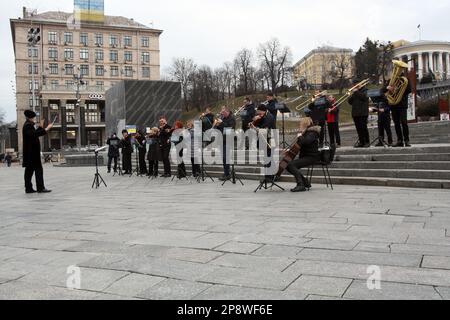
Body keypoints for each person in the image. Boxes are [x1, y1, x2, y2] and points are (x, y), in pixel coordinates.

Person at [286, 117, 321, 193]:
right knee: (287, 165)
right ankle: (305, 182)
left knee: (291, 164)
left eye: (301, 123)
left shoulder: (312, 132)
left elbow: (306, 142)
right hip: (306, 156)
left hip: (312, 157)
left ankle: (301, 185)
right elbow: (299, 145)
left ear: (304, 124)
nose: (300, 125)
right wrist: (290, 150)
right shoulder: (306, 133)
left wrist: (300, 136)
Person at [22, 110, 53, 194]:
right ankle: (40, 188)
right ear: (30, 118)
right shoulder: (28, 125)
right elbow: (34, 135)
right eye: (34, 117)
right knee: (38, 170)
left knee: (29, 171)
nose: (34, 119)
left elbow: (35, 133)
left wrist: (40, 127)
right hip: (32, 153)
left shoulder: (28, 125)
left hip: (31, 153)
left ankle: (29, 188)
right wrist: (46, 129)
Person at [250, 104, 276, 183]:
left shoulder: (269, 117)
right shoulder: (263, 116)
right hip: (265, 139)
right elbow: (257, 123)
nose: (258, 114)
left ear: (263, 111)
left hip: (270, 139)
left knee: (268, 158)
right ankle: (272, 175)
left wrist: (255, 128)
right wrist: (253, 121)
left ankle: (268, 178)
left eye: (259, 112)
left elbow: (264, 129)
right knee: (268, 158)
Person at [388, 75, 412, 147]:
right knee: (396, 123)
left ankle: (406, 140)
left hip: (402, 104)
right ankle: (400, 140)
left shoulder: (405, 79)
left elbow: (409, 90)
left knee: (404, 122)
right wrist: (388, 88)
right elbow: (383, 90)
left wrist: (397, 89)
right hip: (394, 105)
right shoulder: (391, 80)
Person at [214, 107, 237, 181]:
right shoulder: (223, 118)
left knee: (225, 157)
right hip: (221, 140)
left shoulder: (232, 118)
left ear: (227, 112)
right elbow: (221, 129)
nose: (222, 114)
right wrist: (216, 126)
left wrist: (222, 123)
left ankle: (227, 174)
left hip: (228, 140)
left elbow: (229, 129)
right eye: (222, 113)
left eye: (223, 113)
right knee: (223, 158)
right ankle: (226, 172)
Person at [348, 80, 370, 148]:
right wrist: (351, 94)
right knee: (358, 129)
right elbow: (350, 102)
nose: (356, 86)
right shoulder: (354, 92)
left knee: (363, 128)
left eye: (357, 84)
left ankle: (367, 142)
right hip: (355, 113)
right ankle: (361, 142)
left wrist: (356, 92)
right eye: (355, 84)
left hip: (363, 112)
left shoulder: (365, 90)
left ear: (361, 84)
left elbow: (364, 98)